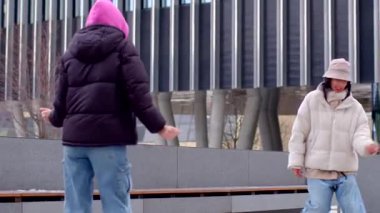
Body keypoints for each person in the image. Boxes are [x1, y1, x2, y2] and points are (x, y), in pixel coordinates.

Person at [40, 0, 179, 212]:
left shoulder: (70, 55)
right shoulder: (123, 49)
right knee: (116, 203)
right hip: (109, 140)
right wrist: (159, 126)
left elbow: (61, 99)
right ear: (118, 24)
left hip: (74, 143)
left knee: (75, 205)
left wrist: (54, 117)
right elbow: (138, 94)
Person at [287, 58, 378, 213]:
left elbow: (360, 135)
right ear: (329, 78)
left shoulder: (355, 108)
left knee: (355, 209)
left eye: (343, 80)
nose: (339, 84)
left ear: (348, 82)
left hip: (344, 172)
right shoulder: (312, 100)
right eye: (336, 79)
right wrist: (296, 161)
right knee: (318, 208)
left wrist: (367, 146)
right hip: (317, 170)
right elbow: (299, 132)